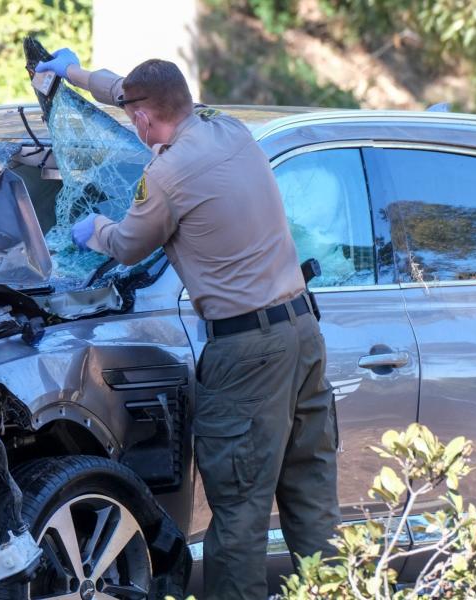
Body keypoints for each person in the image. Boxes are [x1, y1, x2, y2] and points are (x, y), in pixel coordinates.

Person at [36, 49, 340, 599]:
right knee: (313, 504)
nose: (133, 124)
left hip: (248, 353)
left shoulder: (168, 174)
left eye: (134, 118)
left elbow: (128, 247)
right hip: (304, 335)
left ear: (144, 120)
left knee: (241, 517)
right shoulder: (229, 130)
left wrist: (95, 228)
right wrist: (75, 75)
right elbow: (131, 93)